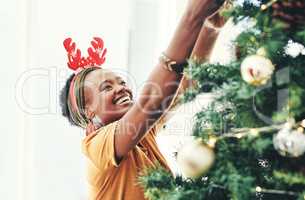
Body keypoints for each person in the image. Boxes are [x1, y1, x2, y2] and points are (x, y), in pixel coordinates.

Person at [59, 0, 225, 199]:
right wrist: (192, 16)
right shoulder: (96, 146)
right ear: (88, 110)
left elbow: (184, 86)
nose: (121, 88)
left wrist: (211, 27)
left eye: (120, 82)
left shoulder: (142, 136)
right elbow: (151, 104)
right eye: (107, 87)